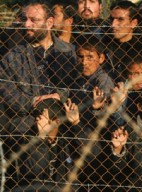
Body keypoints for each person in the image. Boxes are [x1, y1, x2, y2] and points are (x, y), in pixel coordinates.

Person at [0, 1, 77, 138]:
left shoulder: (68, 51)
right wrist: (36, 100)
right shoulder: (12, 57)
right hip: (28, 127)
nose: (26, 25)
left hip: (63, 123)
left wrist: (59, 96)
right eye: (25, 19)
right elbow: (8, 94)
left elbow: (75, 85)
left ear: (49, 22)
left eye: (33, 20)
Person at [11, 98, 80, 191]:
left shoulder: (66, 140)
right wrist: (42, 138)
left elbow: (91, 155)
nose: (38, 121)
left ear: (57, 121)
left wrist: (76, 125)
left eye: (43, 117)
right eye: (38, 118)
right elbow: (34, 172)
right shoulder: (29, 140)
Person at [69, 39, 114, 128]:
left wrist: (98, 107)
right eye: (80, 56)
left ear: (101, 58)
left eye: (90, 57)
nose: (84, 62)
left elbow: (107, 117)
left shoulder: (103, 81)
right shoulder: (78, 76)